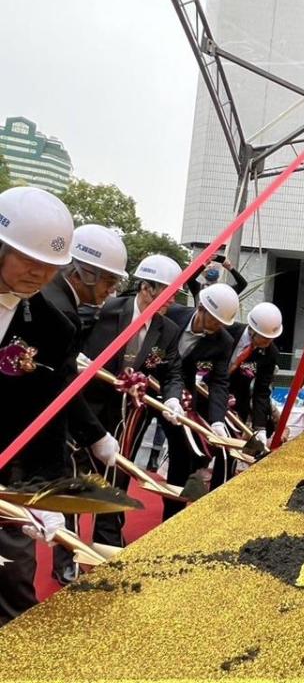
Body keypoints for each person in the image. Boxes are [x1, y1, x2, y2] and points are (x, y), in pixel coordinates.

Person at [0, 187, 77, 624]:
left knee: (14, 586)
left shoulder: (52, 326)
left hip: (7, 481)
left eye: (51, 266)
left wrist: (46, 492)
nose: (40, 274)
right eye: (29, 259)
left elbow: (47, 415)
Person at [42, 223, 125, 584]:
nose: (112, 291)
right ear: (84, 273)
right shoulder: (59, 311)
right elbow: (60, 385)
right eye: (108, 281)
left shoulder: (58, 300)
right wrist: (96, 434)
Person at [83, 254, 185, 548]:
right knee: (76, 476)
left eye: (174, 295)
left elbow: (172, 372)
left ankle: (109, 541)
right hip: (87, 407)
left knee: (118, 476)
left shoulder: (167, 330)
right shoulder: (106, 310)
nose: (169, 301)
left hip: (128, 416)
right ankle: (67, 555)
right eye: (164, 293)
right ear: (144, 287)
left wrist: (173, 400)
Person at [161, 283, 239, 519]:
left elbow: (219, 382)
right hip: (144, 386)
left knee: (183, 454)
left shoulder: (223, 341)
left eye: (221, 323)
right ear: (201, 307)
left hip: (181, 400)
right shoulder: (172, 313)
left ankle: (172, 518)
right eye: (214, 320)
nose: (216, 327)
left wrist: (217, 421)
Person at [210, 301, 282, 487]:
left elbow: (261, 391)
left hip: (235, 406)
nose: (267, 342)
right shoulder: (227, 331)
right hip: (205, 394)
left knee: (228, 455)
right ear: (251, 329)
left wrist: (260, 427)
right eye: (264, 337)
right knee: (200, 450)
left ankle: (217, 493)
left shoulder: (270, 353)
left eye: (271, 338)